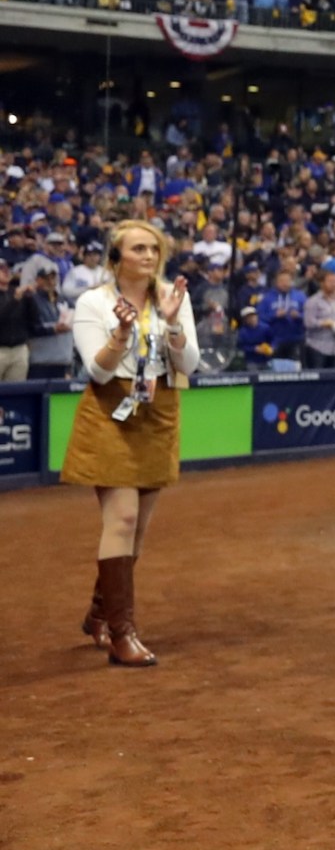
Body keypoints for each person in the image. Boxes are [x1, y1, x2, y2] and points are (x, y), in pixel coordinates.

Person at [64, 221, 201, 668]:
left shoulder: (172, 297)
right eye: (138, 248)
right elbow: (98, 371)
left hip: (158, 411)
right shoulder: (93, 302)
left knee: (137, 530)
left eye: (154, 248)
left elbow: (189, 363)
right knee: (120, 518)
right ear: (116, 257)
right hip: (111, 410)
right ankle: (123, 633)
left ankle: (100, 613)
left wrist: (175, 322)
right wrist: (121, 335)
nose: (149, 255)